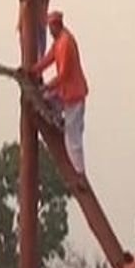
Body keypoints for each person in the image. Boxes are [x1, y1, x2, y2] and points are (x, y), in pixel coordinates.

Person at [31, 10, 89, 175]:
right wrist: (34, 70)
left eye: (51, 27)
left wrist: (47, 86)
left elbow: (63, 74)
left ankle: (79, 171)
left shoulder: (65, 43)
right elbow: (49, 58)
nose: (49, 31)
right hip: (67, 93)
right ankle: (58, 120)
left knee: (73, 136)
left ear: (56, 26)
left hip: (74, 95)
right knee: (48, 101)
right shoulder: (60, 41)